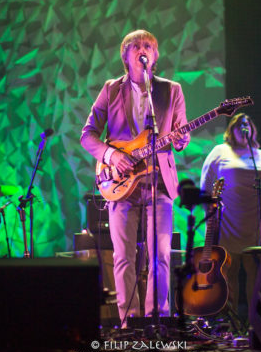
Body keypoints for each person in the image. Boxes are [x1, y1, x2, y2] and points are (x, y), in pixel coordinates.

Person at [80, 29, 189, 325]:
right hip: (119, 183)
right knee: (124, 258)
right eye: (138, 46)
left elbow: (180, 130)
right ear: (126, 56)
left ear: (154, 56)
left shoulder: (171, 90)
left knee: (161, 256)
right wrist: (112, 155)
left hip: (159, 185)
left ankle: (158, 320)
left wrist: (181, 139)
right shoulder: (111, 89)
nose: (144, 50)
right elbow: (87, 136)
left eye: (150, 47)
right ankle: (130, 322)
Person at [200, 113, 261, 316]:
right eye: (240, 123)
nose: (245, 127)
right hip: (229, 219)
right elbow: (206, 183)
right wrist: (210, 214)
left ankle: (253, 320)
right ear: (231, 129)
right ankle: (231, 319)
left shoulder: (260, 153)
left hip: (256, 220)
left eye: (248, 123)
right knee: (230, 270)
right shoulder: (220, 151)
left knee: (255, 270)